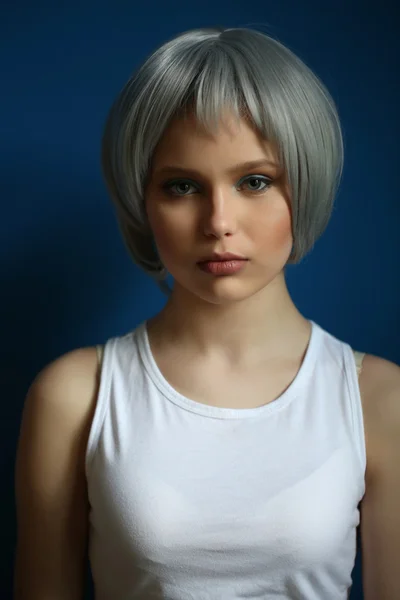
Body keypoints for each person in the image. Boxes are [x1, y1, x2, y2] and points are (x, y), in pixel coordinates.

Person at [14, 25, 400, 600]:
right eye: (182, 187)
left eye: (254, 181)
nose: (219, 221)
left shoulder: (379, 400)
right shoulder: (75, 396)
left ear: (307, 184)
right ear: (141, 201)